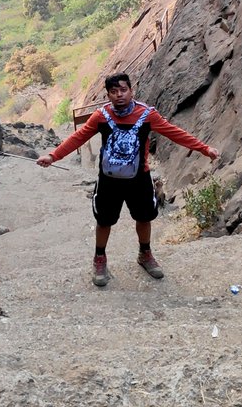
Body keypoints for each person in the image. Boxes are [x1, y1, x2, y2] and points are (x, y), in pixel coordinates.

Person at [37, 72, 219, 286]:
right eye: (113, 92)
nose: (119, 95)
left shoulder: (147, 115)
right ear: (108, 95)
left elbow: (173, 132)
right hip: (108, 179)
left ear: (131, 91)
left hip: (139, 178)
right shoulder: (101, 116)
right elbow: (79, 136)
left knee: (144, 217)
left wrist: (203, 148)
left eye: (123, 90)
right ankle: (99, 259)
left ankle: (145, 254)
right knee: (104, 220)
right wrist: (53, 156)